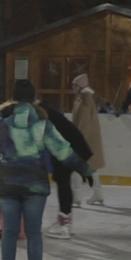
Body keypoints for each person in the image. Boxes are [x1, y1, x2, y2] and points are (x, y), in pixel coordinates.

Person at [0, 79, 93, 260]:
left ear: (13, 97)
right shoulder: (43, 124)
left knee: (9, 231)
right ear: (33, 97)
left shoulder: (0, 125)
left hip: (8, 185)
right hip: (35, 187)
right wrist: (84, 169)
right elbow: (63, 151)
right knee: (33, 232)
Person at [39, 98, 92, 240]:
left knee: (62, 180)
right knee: (62, 180)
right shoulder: (45, 111)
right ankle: (65, 221)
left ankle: (64, 225)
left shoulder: (41, 114)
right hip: (72, 147)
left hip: (70, 149)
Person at [71, 73, 106, 206]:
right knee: (91, 168)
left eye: (75, 85)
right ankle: (98, 194)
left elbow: (84, 123)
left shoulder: (84, 101)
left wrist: (79, 142)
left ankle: (76, 198)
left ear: (80, 86)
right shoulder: (83, 98)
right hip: (88, 139)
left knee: (77, 168)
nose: (73, 88)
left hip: (85, 140)